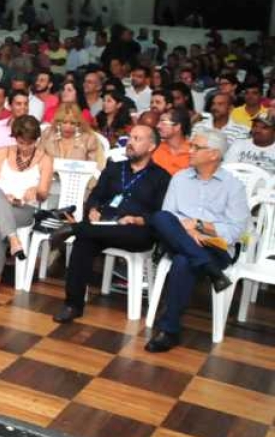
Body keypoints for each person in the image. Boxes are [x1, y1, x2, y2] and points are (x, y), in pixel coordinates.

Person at [54, 125, 171, 323]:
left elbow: (160, 213)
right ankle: (73, 305)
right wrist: (93, 209)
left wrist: (137, 219)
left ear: (151, 146)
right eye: (130, 137)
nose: (130, 142)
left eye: (137, 139)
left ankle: (75, 227)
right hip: (102, 225)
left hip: (135, 231)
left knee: (85, 234)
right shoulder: (115, 168)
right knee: (83, 243)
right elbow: (96, 195)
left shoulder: (161, 177)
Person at [145, 130, 250, 352]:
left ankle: (169, 331)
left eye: (196, 147)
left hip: (216, 246)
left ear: (213, 154)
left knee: (184, 260)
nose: (189, 150)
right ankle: (209, 269)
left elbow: (235, 230)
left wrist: (199, 226)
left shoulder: (234, 186)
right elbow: (168, 216)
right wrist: (186, 232)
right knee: (159, 218)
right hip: (179, 239)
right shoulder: (180, 178)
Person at [0, 116, 52, 295]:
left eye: (30, 143)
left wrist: (35, 190)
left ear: (37, 140)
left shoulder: (45, 159)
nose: (25, 147)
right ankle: (13, 239)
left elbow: (43, 194)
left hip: (22, 209)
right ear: (14, 138)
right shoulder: (3, 152)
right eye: (21, 142)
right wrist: (5, 196)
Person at [40, 103, 105, 167]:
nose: (68, 127)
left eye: (72, 123)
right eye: (64, 122)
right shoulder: (47, 134)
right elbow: (38, 158)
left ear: (78, 124)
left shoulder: (89, 139)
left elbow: (93, 167)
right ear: (58, 122)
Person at [152, 107, 193, 175]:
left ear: (177, 127)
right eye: (159, 122)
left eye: (163, 122)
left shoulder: (193, 151)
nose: (158, 126)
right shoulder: (155, 148)